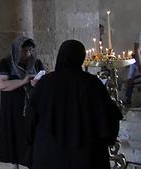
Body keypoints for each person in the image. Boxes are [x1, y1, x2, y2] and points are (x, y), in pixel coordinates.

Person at [26, 39, 122, 169]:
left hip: (50, 153)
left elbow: (31, 117)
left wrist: (31, 141)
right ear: (81, 58)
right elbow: (110, 116)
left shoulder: (45, 83)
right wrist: (107, 139)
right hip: (86, 155)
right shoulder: (92, 83)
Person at [0, 36, 45, 168]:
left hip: (31, 105)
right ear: (17, 50)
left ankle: (32, 161)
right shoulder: (6, 63)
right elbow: (0, 84)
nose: (28, 53)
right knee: (14, 133)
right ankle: (14, 163)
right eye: (24, 50)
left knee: (31, 134)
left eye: (30, 50)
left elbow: (43, 80)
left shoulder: (37, 63)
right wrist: (23, 81)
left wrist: (37, 83)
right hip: (13, 106)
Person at [123, 42, 140, 107]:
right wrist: (130, 80)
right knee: (130, 82)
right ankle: (127, 100)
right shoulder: (134, 62)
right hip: (137, 78)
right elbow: (131, 75)